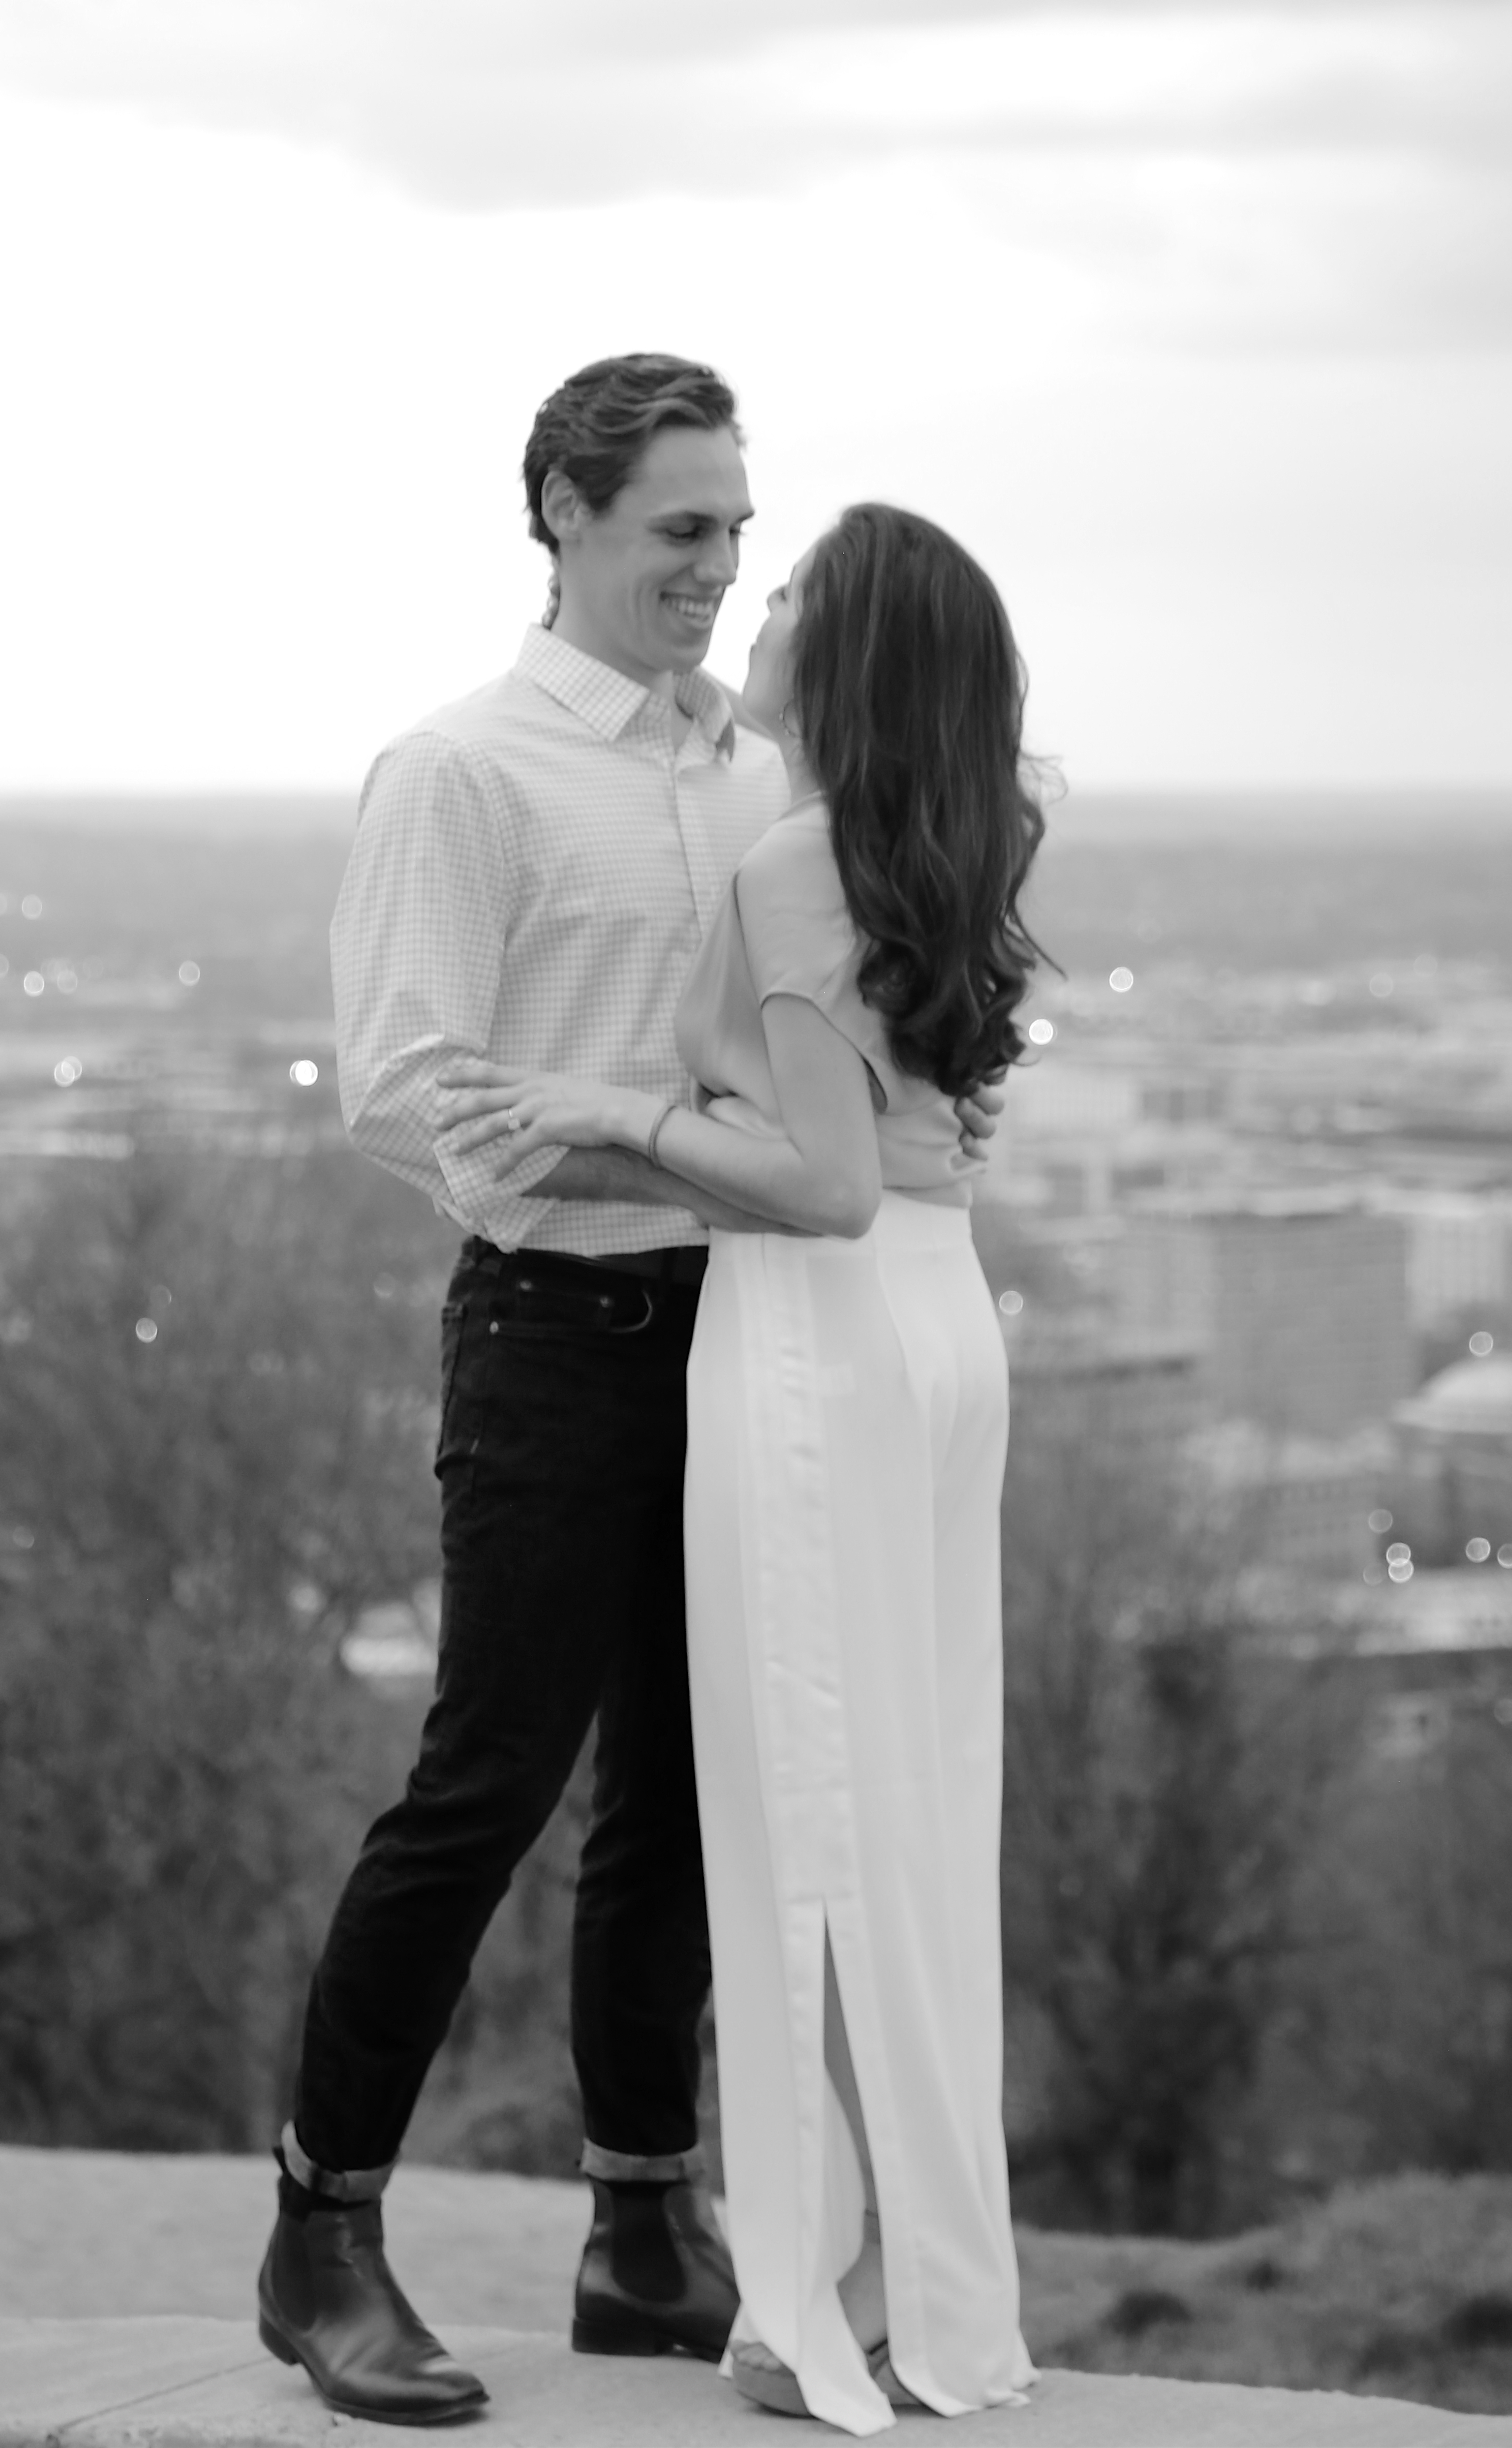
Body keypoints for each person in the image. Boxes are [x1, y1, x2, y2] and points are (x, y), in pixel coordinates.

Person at [256, 357, 998, 2426]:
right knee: (488, 1781)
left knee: (693, 1790)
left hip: (763, 1336)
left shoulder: (771, 773)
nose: (717, 566)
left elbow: (846, 1047)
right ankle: (321, 2234)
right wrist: (659, 1149)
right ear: (565, 516)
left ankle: (645, 2226)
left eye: (737, 530)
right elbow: (410, 1093)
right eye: (681, 527)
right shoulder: (463, 773)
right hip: (559, 1334)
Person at [442, 503, 1044, 2431]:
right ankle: (920, 2283)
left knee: (818, 1820)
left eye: (790, 591)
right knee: (913, 1812)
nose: (754, 609)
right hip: (940, 1328)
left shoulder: (796, 863)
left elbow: (823, 1183)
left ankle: (849, 2300)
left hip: (821, 1340)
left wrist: (613, 1112)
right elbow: (894, 1146)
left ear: (841, 655)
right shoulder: (943, 841)